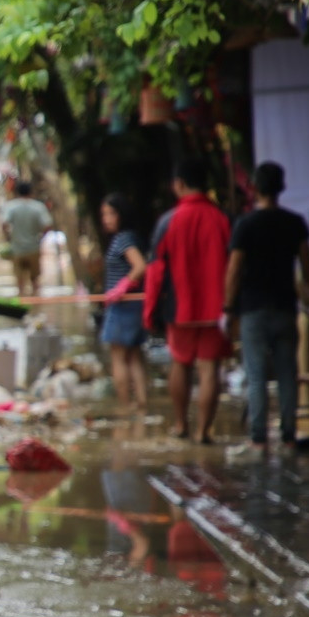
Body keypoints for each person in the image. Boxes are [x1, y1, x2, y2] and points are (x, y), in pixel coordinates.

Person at [225, 162, 309, 448]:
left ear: (254, 188)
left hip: (253, 309)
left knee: (256, 376)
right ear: (281, 187)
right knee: (287, 372)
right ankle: (289, 435)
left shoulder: (245, 225)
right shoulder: (295, 223)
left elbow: (234, 271)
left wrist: (228, 308)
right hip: (285, 308)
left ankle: (258, 438)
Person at [143, 161, 231, 443]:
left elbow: (155, 271)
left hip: (179, 310)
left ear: (178, 184)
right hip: (216, 310)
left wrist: (150, 311)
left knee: (180, 365)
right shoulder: (222, 219)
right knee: (210, 370)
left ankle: (181, 425)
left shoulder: (168, 221)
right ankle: (204, 431)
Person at [97, 194, 148, 412]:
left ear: (122, 215)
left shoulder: (123, 239)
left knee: (118, 357)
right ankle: (142, 405)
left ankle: (125, 406)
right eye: (104, 214)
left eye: (111, 213)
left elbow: (140, 265)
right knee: (134, 356)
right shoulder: (129, 237)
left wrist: (121, 287)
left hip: (124, 305)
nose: (106, 219)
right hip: (133, 305)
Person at [2, 180, 53, 298]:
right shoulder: (38, 207)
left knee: (20, 285)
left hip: (17, 249)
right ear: (31, 192)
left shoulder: (11, 207)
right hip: (34, 248)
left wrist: (9, 238)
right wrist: (41, 237)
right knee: (35, 282)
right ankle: (37, 309)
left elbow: (4, 224)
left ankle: (22, 309)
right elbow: (48, 226)